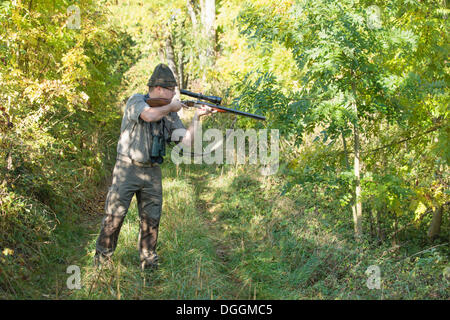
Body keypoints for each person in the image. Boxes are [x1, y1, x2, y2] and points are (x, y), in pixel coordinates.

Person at [94, 63, 213, 270]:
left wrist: (196, 117)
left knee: (152, 219)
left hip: (152, 171)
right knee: (114, 216)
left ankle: (149, 264)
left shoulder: (170, 112)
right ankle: (102, 263)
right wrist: (171, 106)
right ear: (158, 88)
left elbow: (186, 141)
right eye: (171, 90)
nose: (173, 94)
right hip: (127, 168)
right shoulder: (136, 101)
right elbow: (149, 115)